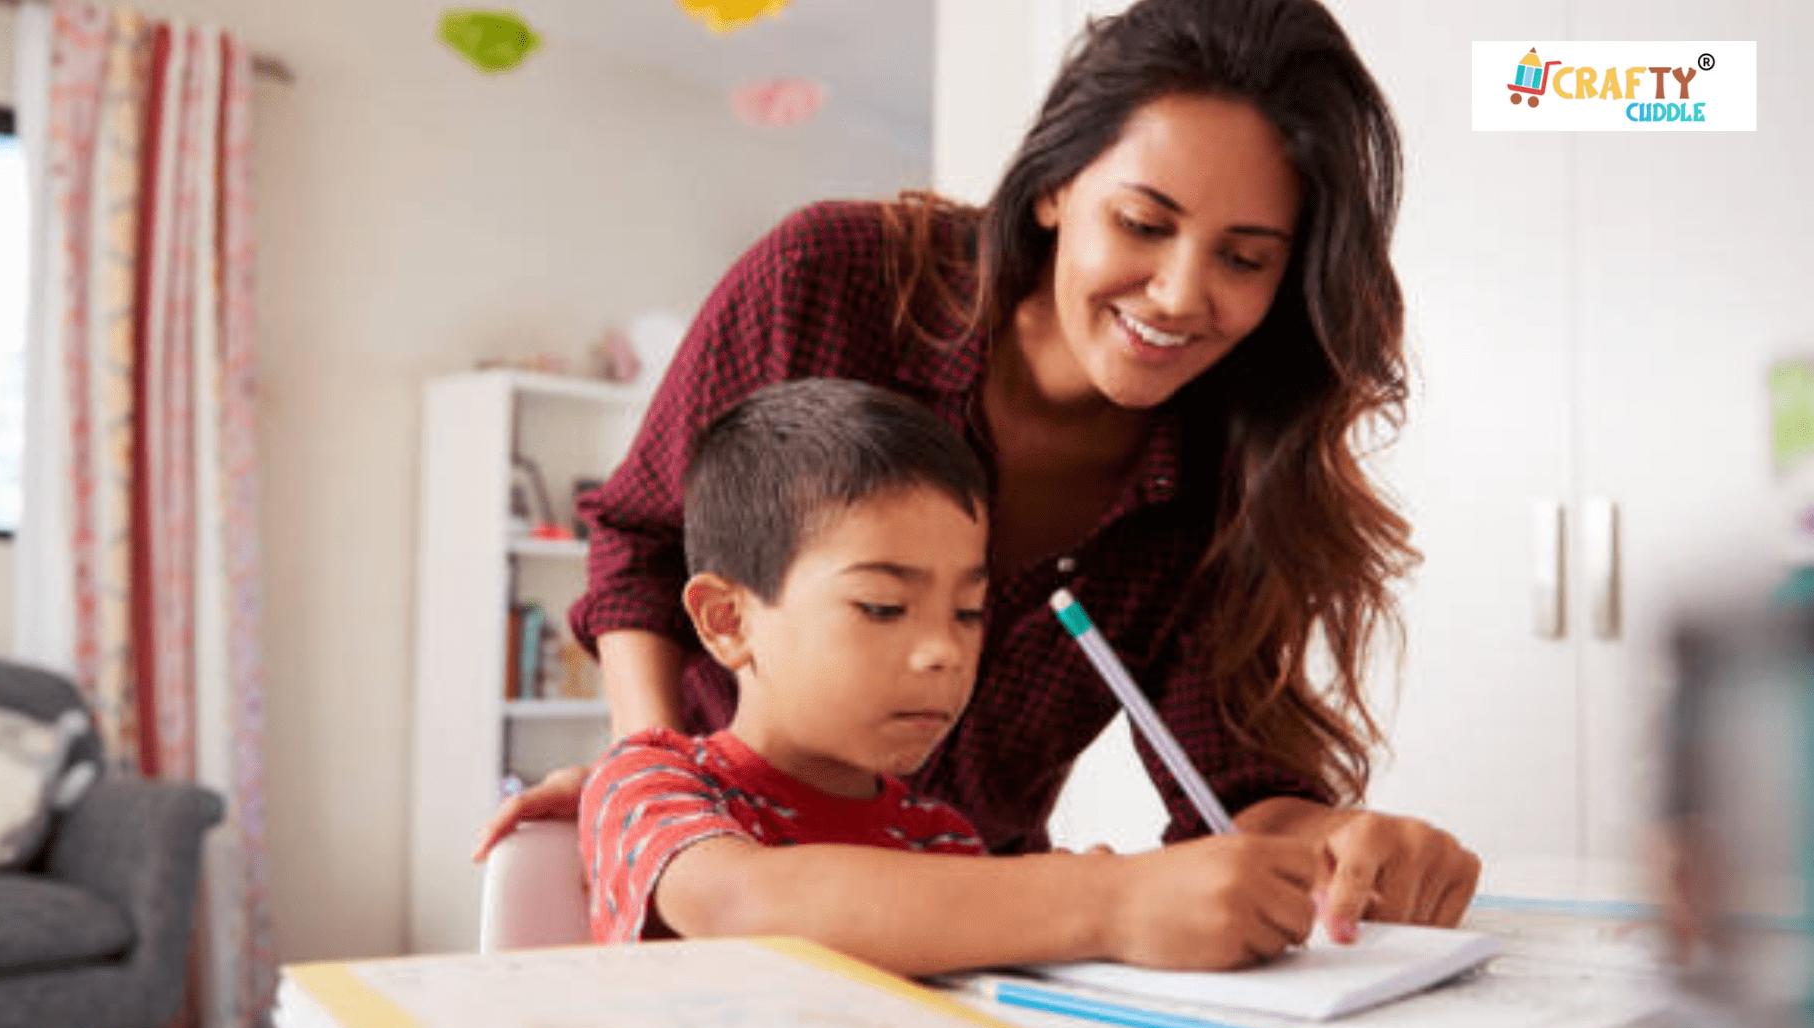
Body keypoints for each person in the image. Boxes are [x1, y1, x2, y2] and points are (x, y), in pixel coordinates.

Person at [479, 0, 1481, 941]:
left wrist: (1336, 844)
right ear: (1053, 185)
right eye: (1143, 223)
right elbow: (644, 544)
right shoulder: (829, 279)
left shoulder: (1229, 472)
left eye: (1246, 258)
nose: (1180, 294)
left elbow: (1227, 789)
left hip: (980, 935)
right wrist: (653, 774)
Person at [585, 377, 1324, 974]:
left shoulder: (937, 838)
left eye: (969, 613)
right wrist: (1107, 900)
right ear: (727, 621)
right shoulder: (652, 781)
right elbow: (744, 905)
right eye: (882, 606)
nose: (943, 650)